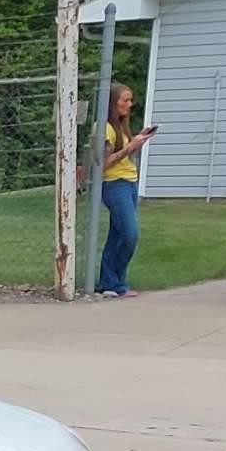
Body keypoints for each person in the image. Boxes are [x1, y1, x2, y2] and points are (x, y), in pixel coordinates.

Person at [95, 83, 155, 297]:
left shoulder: (121, 127)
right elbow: (103, 163)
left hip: (130, 183)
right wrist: (130, 147)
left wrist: (136, 142)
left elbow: (125, 156)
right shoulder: (106, 129)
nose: (129, 105)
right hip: (114, 184)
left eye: (131, 100)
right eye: (125, 101)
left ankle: (110, 282)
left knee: (117, 234)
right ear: (113, 103)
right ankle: (115, 283)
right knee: (130, 234)